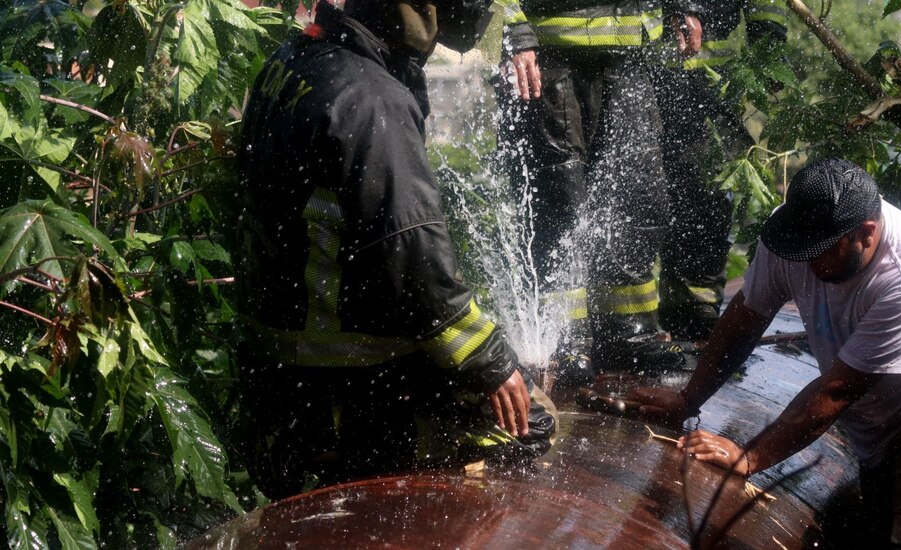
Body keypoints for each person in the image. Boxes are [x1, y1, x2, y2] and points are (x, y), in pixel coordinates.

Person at [235, 0, 555, 499]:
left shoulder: (294, 60)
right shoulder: (371, 97)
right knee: (529, 426)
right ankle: (376, 463)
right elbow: (415, 257)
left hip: (279, 362)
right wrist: (492, 361)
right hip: (345, 376)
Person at [630, 158, 901, 547]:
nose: (808, 262)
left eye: (823, 251)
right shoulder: (796, 233)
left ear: (867, 232)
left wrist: (748, 459)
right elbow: (746, 317)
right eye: (802, 249)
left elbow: (837, 390)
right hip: (876, 414)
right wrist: (689, 399)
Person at [495, 0, 704, 374]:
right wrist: (514, 31)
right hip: (549, 54)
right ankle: (566, 340)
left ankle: (628, 335)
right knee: (560, 203)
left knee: (637, 200)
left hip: (628, 53)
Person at [653, 0, 786, 341]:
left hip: (714, 86)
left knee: (708, 196)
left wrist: (768, 43)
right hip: (648, 73)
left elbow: (765, 9)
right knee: (651, 196)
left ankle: (699, 304)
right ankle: (650, 309)